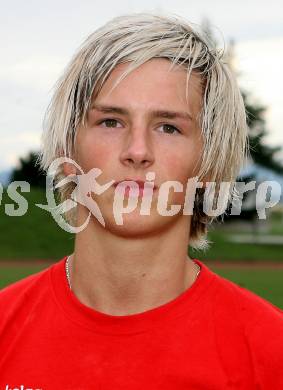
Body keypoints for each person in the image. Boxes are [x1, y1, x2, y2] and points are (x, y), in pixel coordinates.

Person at [0, 11, 282, 390]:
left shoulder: (270, 353)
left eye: (169, 127)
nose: (137, 151)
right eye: (111, 122)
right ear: (68, 150)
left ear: (209, 165)